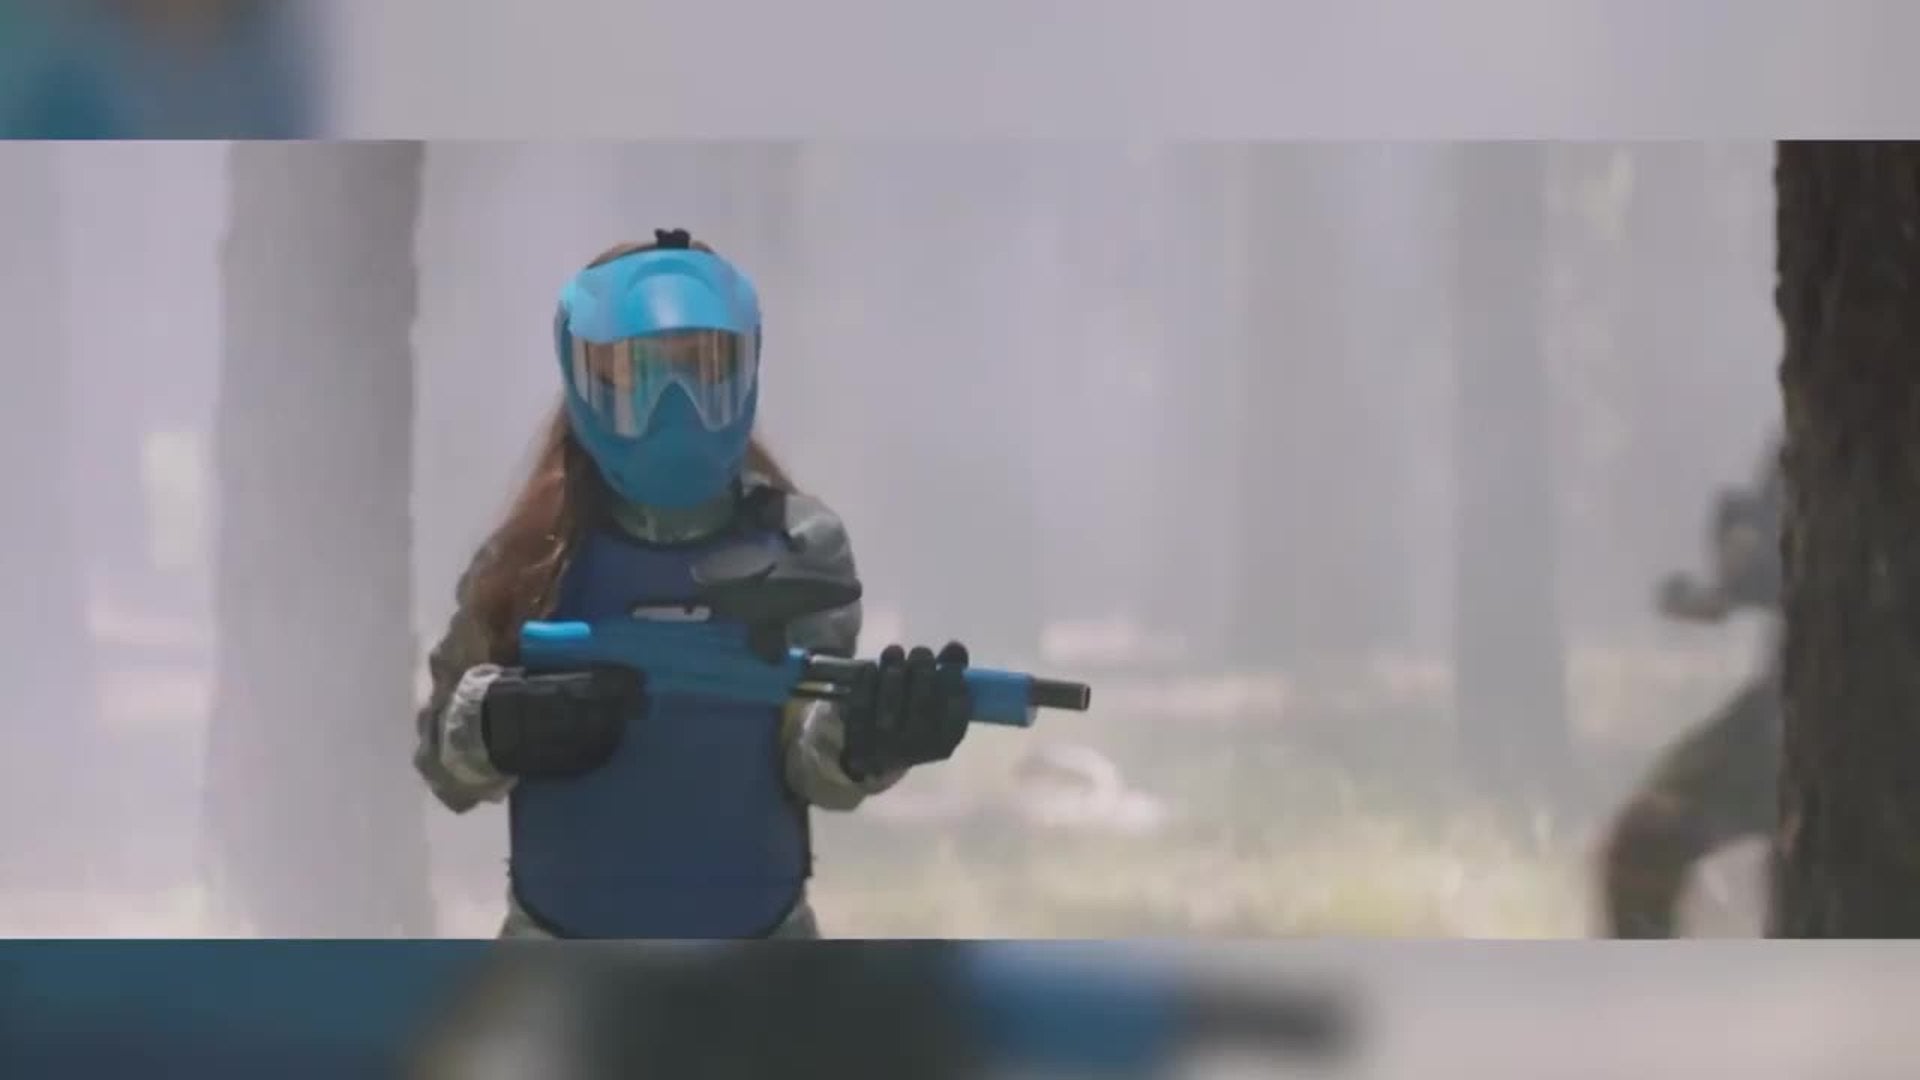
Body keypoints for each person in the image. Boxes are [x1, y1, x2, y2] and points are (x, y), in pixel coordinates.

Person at [414, 230, 976, 939]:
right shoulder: (531, 556)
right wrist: (494, 724)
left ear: (744, 374)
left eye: (701, 367)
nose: (674, 405)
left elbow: (809, 755)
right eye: (641, 373)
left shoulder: (799, 544)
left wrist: (870, 736)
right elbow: (443, 762)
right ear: (585, 381)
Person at [1599, 434, 1785, 938]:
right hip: (1794, 716)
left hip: (1830, 724)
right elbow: (1765, 544)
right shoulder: (1835, 422)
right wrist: (1731, 583)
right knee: (1645, 841)